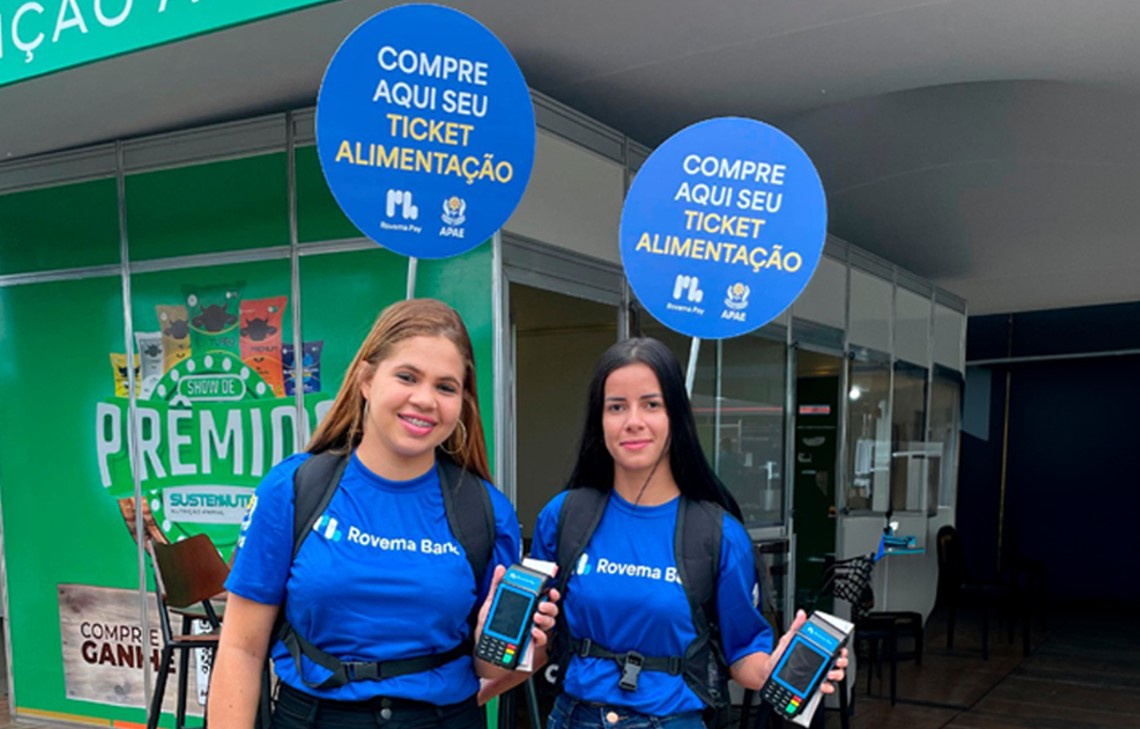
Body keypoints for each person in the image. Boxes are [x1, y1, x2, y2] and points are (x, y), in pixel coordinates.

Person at [209, 298, 556, 729]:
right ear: (367, 380)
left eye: (446, 387)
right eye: (407, 377)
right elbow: (241, 647)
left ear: (462, 402)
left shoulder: (486, 511)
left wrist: (502, 649)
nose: (425, 399)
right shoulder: (293, 490)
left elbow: (498, 670)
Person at [530, 337, 847, 729]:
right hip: (573, 718)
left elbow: (743, 656)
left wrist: (779, 667)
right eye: (616, 407)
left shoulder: (718, 534)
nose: (633, 421)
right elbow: (535, 647)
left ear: (675, 416)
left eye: (651, 404)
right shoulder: (562, 517)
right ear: (600, 419)